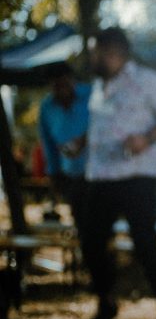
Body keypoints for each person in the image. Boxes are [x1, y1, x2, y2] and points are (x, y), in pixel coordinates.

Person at [83, 26, 156, 319]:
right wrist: (80, 142)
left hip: (137, 176)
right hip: (100, 176)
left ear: (113, 52)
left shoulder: (146, 80)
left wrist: (146, 139)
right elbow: (102, 128)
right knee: (91, 241)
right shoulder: (99, 85)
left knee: (145, 243)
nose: (91, 57)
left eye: (95, 52)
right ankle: (106, 302)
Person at [37, 62, 91, 233]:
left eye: (64, 84)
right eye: (56, 86)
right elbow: (48, 145)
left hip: (101, 173)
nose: (61, 90)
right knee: (81, 224)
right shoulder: (47, 107)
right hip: (71, 175)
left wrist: (85, 140)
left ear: (72, 80)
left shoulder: (93, 95)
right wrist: (53, 174)